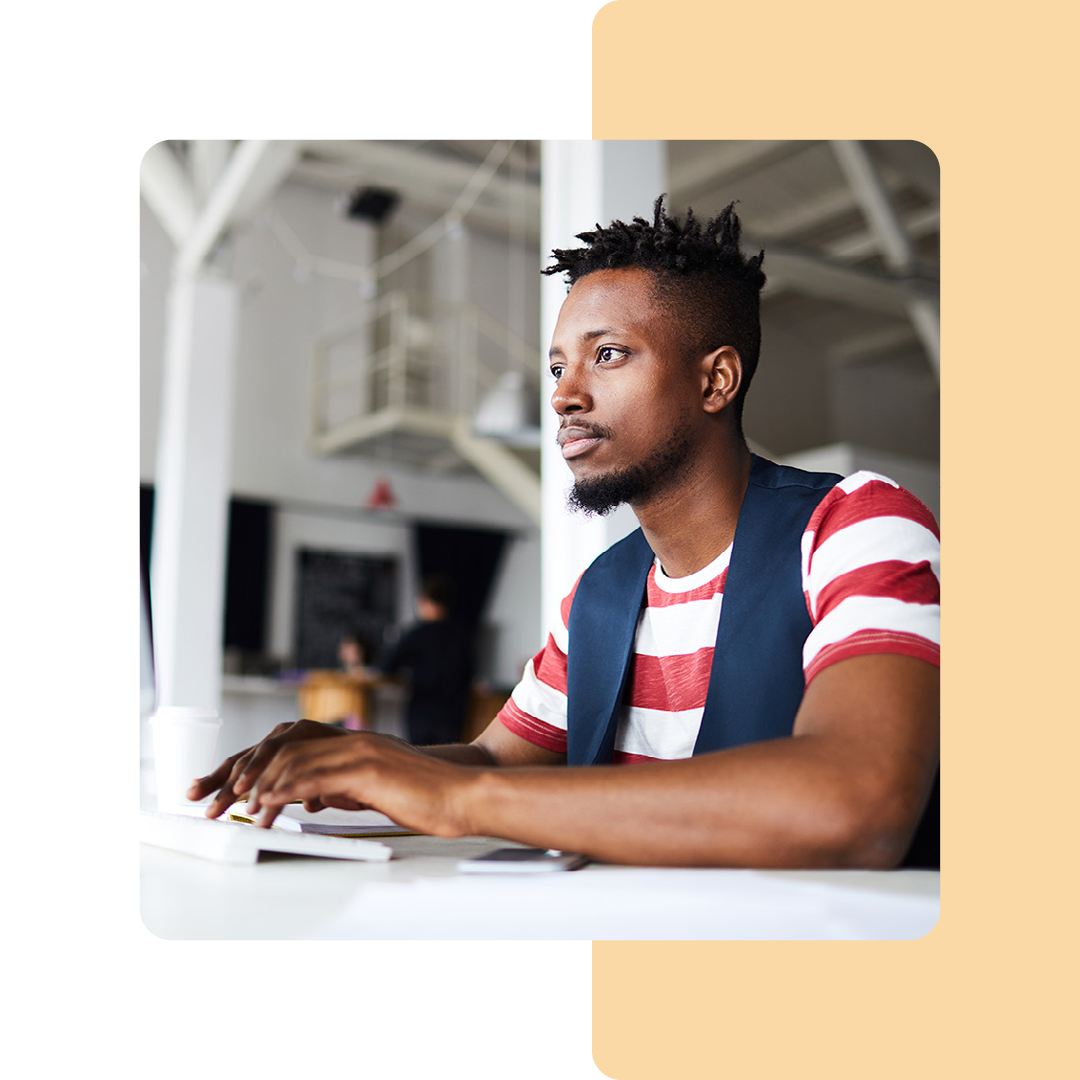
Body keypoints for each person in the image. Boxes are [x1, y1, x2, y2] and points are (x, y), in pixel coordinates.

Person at [190, 196, 940, 870]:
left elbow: (857, 802)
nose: (565, 396)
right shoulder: (604, 593)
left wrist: (456, 801)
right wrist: (364, 763)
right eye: (556, 368)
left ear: (716, 380)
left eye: (606, 355)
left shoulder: (854, 524)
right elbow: (496, 759)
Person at [375, 575, 475, 746]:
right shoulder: (463, 636)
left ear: (424, 601)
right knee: (449, 762)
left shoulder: (415, 634)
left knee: (420, 762)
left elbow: (385, 667)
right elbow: (470, 673)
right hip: (454, 713)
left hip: (422, 712)